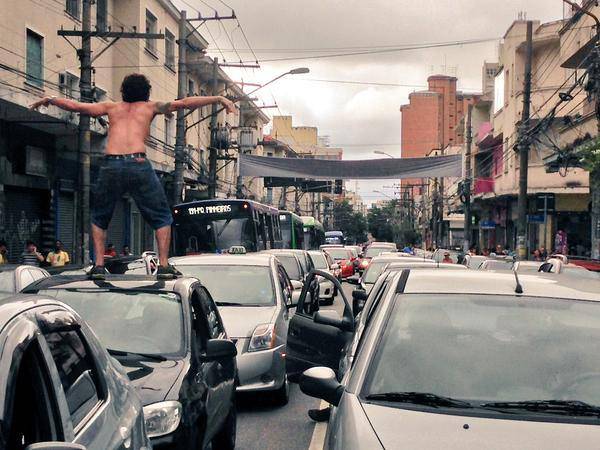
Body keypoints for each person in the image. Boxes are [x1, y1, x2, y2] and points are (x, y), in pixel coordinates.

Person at [31, 74, 236, 279]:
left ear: (123, 91)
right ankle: (163, 265)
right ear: (146, 93)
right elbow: (183, 103)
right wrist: (218, 99)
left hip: (111, 164)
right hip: (138, 163)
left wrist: (50, 99)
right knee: (162, 217)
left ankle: (100, 265)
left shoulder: (111, 107)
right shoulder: (150, 107)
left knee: (99, 216)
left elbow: (78, 107)